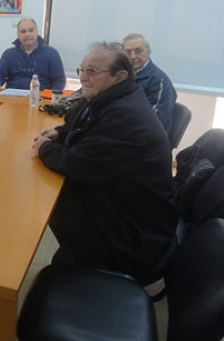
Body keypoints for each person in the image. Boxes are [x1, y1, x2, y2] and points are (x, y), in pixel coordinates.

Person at [31, 42, 178, 284]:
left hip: (131, 238)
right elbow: (77, 126)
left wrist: (45, 148)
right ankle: (72, 251)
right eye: (82, 69)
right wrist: (57, 133)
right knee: (48, 191)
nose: (83, 77)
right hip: (120, 206)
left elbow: (80, 165)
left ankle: (77, 268)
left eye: (93, 71)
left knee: (45, 197)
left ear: (120, 76)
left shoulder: (127, 116)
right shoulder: (107, 99)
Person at [0, 17, 66, 91]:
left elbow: (59, 80)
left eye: (31, 30)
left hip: (40, 97)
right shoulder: (8, 54)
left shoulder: (51, 53)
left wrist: (51, 96)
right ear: (18, 35)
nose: (27, 34)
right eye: (23, 31)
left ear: (37, 32)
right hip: (13, 97)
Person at [122, 33, 177, 136]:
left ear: (148, 52)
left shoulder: (160, 82)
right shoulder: (122, 75)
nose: (133, 56)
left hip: (143, 139)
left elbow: (155, 122)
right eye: (128, 52)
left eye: (138, 51)